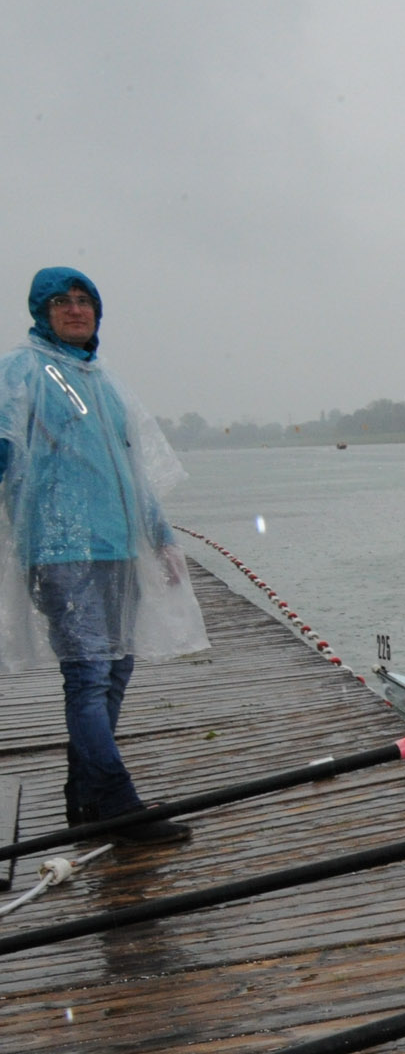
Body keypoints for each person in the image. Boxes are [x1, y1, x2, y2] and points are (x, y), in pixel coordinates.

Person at [0, 268, 207, 845]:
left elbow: (131, 466)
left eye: (84, 300)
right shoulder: (21, 370)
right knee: (88, 675)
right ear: (41, 312)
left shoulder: (102, 380)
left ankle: (85, 797)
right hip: (60, 547)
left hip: (117, 545)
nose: (74, 309)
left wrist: (161, 535)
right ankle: (117, 801)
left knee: (116, 667)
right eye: (60, 302)